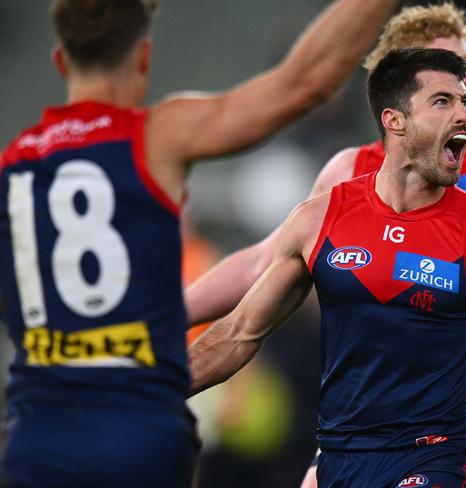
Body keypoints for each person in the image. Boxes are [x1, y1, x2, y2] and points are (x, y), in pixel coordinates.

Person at [183, 2, 466, 486]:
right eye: (443, 88)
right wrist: (158, 341)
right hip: (350, 442)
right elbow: (250, 302)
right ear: (396, 107)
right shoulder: (338, 190)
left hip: (461, 432)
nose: (464, 91)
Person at [0, 0, 400, 485]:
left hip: (41, 432)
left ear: (60, 61)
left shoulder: (14, 167)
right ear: (144, 57)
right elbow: (306, 82)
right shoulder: (157, 136)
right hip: (142, 423)